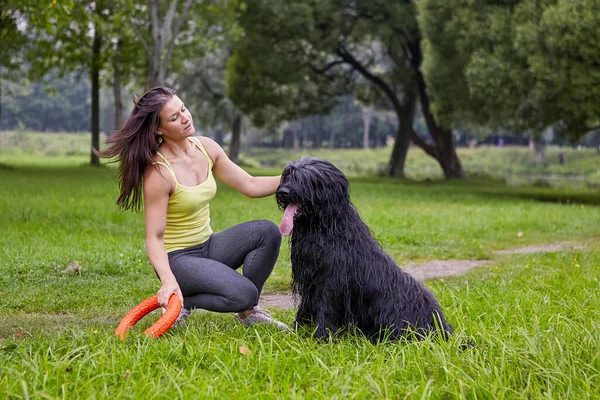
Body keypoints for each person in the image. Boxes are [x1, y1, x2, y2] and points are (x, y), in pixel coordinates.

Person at [96, 87, 288, 330]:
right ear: (158, 129)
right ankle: (183, 301)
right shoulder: (159, 173)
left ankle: (248, 313)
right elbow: (154, 238)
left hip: (209, 246)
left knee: (267, 231)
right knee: (244, 293)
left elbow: (250, 185)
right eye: (174, 118)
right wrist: (167, 280)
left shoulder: (206, 148)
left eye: (183, 109)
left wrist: (295, 177)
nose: (185, 118)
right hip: (179, 260)